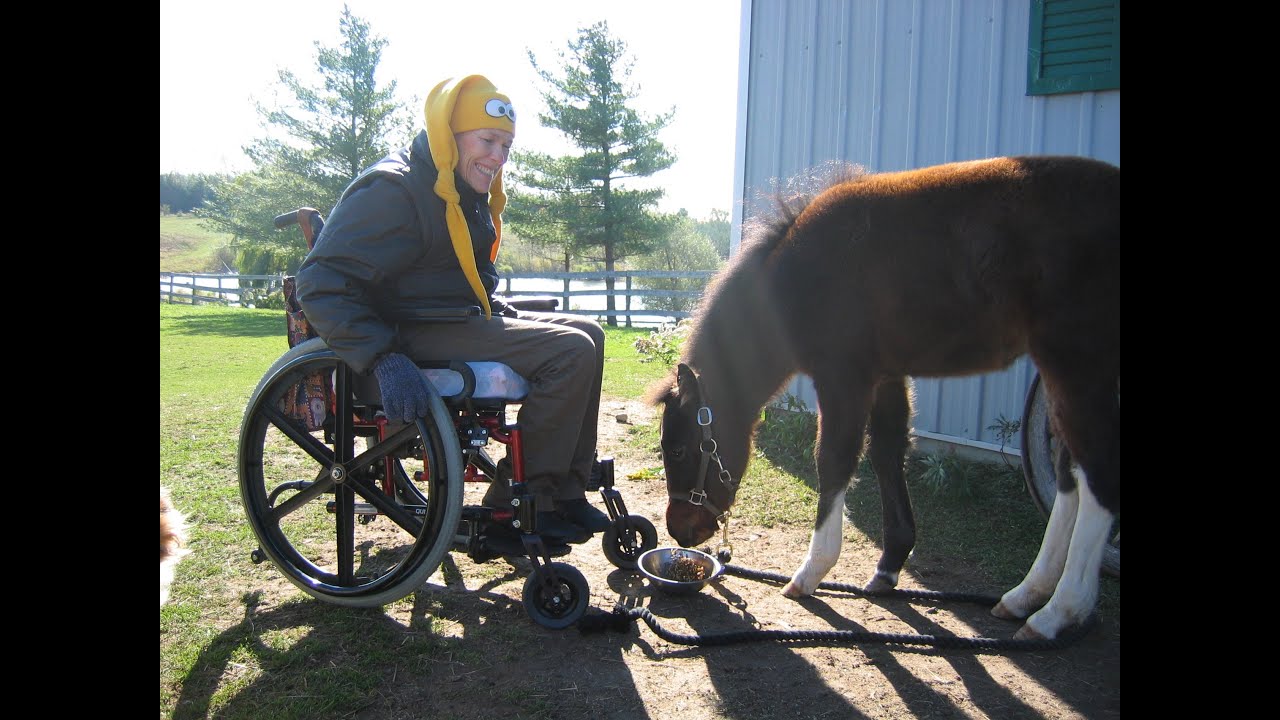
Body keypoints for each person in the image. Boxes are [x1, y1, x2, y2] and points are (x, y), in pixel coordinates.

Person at [296, 74, 610, 547]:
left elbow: (462, 270)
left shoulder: (460, 189)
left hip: (450, 320)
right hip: (403, 335)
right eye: (487, 140)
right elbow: (319, 283)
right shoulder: (392, 188)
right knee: (570, 351)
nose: (498, 157)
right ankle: (523, 501)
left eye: (506, 145)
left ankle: (566, 490)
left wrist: (491, 302)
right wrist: (383, 357)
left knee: (591, 332)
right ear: (450, 134)